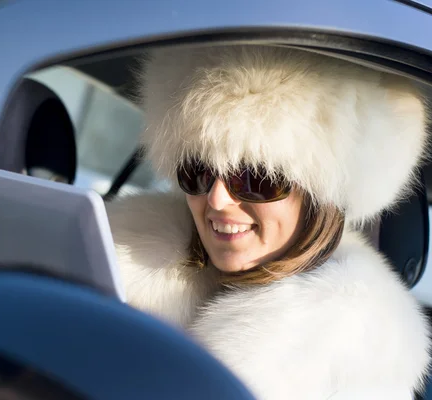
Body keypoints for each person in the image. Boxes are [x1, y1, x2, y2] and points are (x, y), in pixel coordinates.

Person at [105, 45, 431, 399]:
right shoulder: (112, 271)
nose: (216, 199)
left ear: (321, 199)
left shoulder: (362, 368)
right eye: (196, 172)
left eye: (257, 179)